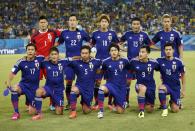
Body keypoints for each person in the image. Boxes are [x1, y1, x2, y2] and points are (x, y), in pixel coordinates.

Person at [58, 14, 91, 110]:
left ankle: (86, 100)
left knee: (84, 81)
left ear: (77, 22)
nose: (72, 22)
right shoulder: (64, 33)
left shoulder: (82, 33)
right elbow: (58, 43)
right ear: (68, 22)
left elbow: (91, 42)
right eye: (70, 20)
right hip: (69, 62)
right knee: (68, 81)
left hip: (81, 62)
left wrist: (88, 52)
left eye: (74, 20)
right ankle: (69, 102)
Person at [120, 17, 154, 108]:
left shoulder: (144, 35)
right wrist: (122, 50)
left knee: (144, 80)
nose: (135, 26)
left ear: (140, 25)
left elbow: (150, 45)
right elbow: (119, 43)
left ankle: (146, 99)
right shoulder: (127, 34)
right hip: (130, 63)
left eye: (137, 24)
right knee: (127, 82)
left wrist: (146, 53)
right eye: (134, 24)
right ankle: (126, 101)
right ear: (131, 25)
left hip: (142, 63)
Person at [5, 44, 44, 120]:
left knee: (32, 112)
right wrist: (8, 81)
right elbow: (13, 72)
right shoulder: (21, 62)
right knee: (14, 89)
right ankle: (16, 112)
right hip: (23, 86)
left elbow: (50, 59)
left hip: (34, 89)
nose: (30, 51)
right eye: (28, 50)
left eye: (32, 50)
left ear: (35, 51)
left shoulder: (40, 59)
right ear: (26, 51)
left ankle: (29, 102)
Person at [30, 15, 61, 111]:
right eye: (41, 22)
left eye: (44, 22)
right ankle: (32, 102)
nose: (43, 24)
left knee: (52, 82)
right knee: (34, 83)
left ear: (47, 23)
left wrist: (57, 44)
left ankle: (52, 103)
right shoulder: (34, 36)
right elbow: (31, 48)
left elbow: (63, 35)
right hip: (38, 63)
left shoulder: (53, 32)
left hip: (50, 63)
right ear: (39, 24)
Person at [91, 14, 119, 110]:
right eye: (102, 21)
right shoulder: (95, 33)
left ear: (108, 23)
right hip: (98, 61)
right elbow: (91, 44)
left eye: (105, 22)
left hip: (110, 61)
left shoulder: (113, 33)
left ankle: (110, 103)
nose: (103, 23)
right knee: (97, 81)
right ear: (100, 23)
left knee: (110, 82)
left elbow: (117, 45)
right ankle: (97, 102)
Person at [68, 45, 102, 119]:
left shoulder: (95, 62)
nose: (84, 55)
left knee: (86, 111)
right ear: (80, 54)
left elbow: (104, 63)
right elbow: (64, 62)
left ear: (89, 53)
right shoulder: (76, 63)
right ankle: (73, 112)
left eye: (86, 53)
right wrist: (75, 57)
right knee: (73, 90)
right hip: (79, 86)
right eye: (82, 53)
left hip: (89, 89)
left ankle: (85, 103)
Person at [97, 44, 129, 119]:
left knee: (120, 111)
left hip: (121, 87)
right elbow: (101, 71)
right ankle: (101, 111)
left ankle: (117, 103)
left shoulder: (125, 60)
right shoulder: (105, 62)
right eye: (112, 50)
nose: (114, 52)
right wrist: (98, 79)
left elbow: (130, 69)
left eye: (115, 50)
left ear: (118, 51)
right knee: (101, 89)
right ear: (109, 52)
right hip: (111, 84)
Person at [129, 45, 159, 118]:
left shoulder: (153, 62)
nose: (140, 54)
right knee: (142, 88)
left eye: (143, 52)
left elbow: (161, 69)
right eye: (140, 52)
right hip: (139, 85)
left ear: (147, 53)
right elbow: (127, 69)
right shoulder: (133, 61)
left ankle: (146, 101)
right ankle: (141, 111)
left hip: (151, 86)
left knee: (150, 109)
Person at [157, 43, 186, 117]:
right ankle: (164, 108)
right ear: (164, 51)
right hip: (166, 86)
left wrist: (183, 90)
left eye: (170, 49)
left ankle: (171, 101)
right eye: (166, 50)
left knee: (175, 110)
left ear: (173, 50)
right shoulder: (159, 61)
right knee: (161, 89)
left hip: (176, 88)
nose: (168, 51)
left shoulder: (179, 62)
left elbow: (183, 75)